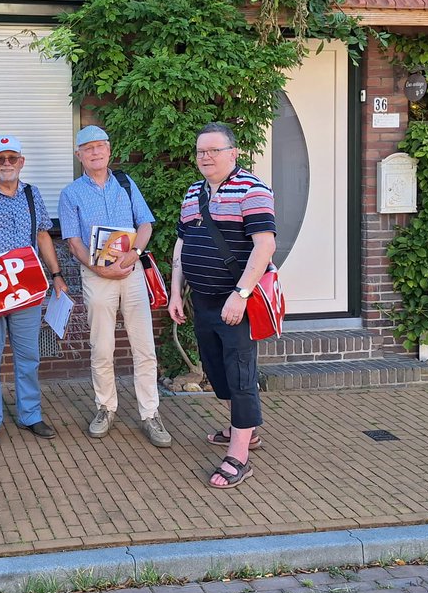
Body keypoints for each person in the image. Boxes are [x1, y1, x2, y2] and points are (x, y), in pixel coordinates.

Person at [167, 122, 276, 489]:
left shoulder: (252, 189)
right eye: (201, 151)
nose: (206, 157)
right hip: (202, 300)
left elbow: (265, 245)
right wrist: (175, 291)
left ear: (233, 153)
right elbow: (182, 243)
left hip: (237, 303)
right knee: (216, 371)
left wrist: (241, 294)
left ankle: (239, 456)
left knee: (240, 375)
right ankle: (245, 429)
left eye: (214, 150)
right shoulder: (193, 192)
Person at [58, 125, 172, 448]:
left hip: (131, 272)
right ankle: (105, 408)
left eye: (100, 146)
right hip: (96, 276)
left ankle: (150, 413)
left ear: (109, 151)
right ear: (79, 155)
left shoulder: (125, 182)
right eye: (88, 148)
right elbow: (73, 242)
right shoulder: (71, 194)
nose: (95, 152)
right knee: (102, 346)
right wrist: (99, 269)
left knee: (144, 346)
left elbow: (145, 223)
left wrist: (135, 254)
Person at [0, 135, 69, 448]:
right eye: (0, 159)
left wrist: (57, 275)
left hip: (27, 290)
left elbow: (43, 235)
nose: (7, 163)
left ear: (21, 162)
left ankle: (30, 415)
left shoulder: (32, 194)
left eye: (12, 158)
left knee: (28, 357)